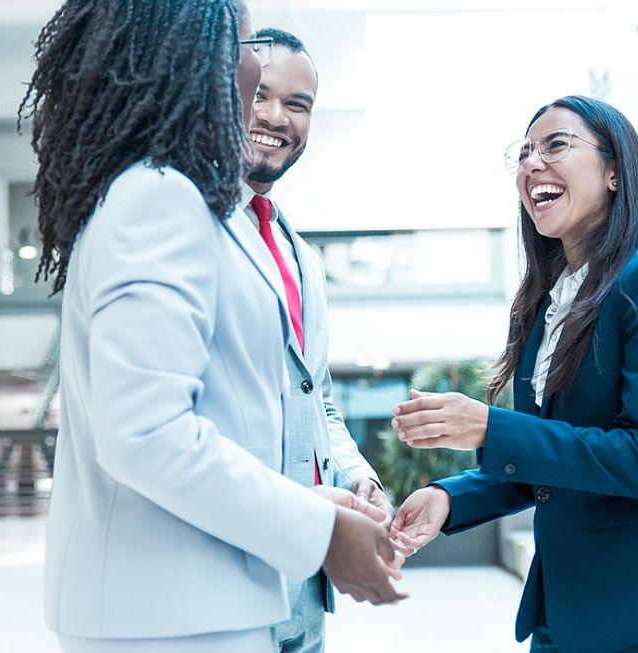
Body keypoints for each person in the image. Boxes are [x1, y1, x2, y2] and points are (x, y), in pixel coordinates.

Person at [19, 2, 405, 651]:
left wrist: (332, 494)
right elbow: (146, 432)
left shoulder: (174, 197)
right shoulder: (160, 196)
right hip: (172, 615)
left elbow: (283, 399)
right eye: (246, 44)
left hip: (204, 603)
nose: (257, 64)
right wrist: (321, 531)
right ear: (194, 55)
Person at [389, 95, 638, 653]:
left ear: (613, 171)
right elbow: (553, 463)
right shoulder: (546, 305)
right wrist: (451, 498)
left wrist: (490, 429)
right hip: (565, 620)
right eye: (525, 153)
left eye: (556, 145)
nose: (532, 164)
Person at [240, 28, 394, 653]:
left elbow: (317, 397)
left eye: (297, 104)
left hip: (306, 594)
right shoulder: (189, 229)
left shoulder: (301, 255)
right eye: (261, 96)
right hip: (232, 577)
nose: (277, 117)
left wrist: (361, 482)